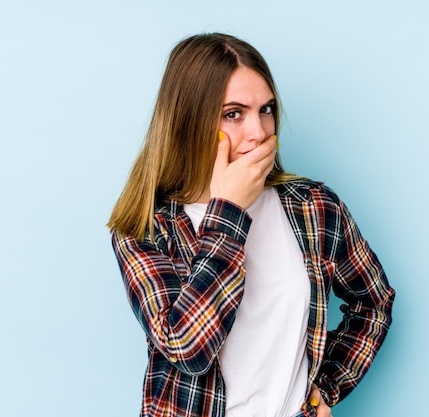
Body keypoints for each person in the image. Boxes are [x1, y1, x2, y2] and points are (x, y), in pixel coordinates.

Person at [108, 33, 395, 417]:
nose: (259, 132)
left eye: (266, 109)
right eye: (233, 113)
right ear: (189, 122)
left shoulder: (312, 207)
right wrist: (228, 212)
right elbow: (188, 348)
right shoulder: (145, 227)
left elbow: (373, 301)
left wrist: (324, 389)